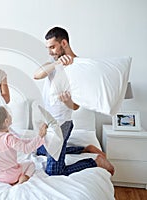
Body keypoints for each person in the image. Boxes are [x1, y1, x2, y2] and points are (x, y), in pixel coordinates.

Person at [34, 27, 114, 176]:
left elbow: (75, 106)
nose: (50, 52)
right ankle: (84, 148)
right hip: (49, 122)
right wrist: (57, 64)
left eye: (52, 47)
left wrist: (68, 101)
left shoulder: (79, 69)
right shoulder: (53, 63)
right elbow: (37, 75)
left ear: (63, 43)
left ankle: (95, 161)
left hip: (61, 124)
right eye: (48, 48)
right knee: (39, 150)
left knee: (53, 172)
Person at [0, 106, 47, 185]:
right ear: (6, 121)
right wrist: (40, 136)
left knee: (4, 165)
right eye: (8, 114)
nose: (10, 115)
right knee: (31, 164)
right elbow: (26, 149)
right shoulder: (8, 138)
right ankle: (24, 178)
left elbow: (22, 142)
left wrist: (39, 139)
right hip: (10, 177)